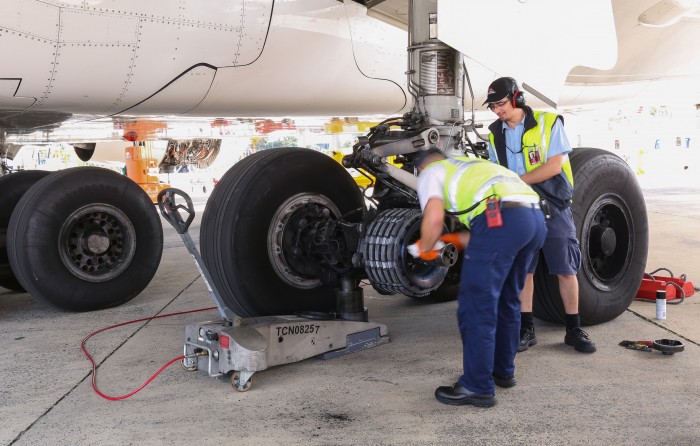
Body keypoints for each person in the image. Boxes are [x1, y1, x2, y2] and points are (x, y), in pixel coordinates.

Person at [410, 149, 546, 407]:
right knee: (507, 298)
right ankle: (502, 371)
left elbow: (435, 217)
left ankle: (477, 386)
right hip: (533, 219)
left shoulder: (432, 172)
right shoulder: (474, 166)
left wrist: (425, 247)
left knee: (476, 304)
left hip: (503, 220)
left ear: (420, 168)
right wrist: (449, 240)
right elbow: (485, 235)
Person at [483, 76, 596, 353]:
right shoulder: (494, 135)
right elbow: (496, 172)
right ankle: (526, 330)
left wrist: (518, 180)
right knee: (525, 272)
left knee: (566, 269)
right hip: (520, 210)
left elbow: (554, 166)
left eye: (500, 104)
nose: (497, 110)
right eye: (493, 107)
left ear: (516, 98)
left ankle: (573, 329)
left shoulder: (548, 123)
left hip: (554, 207)